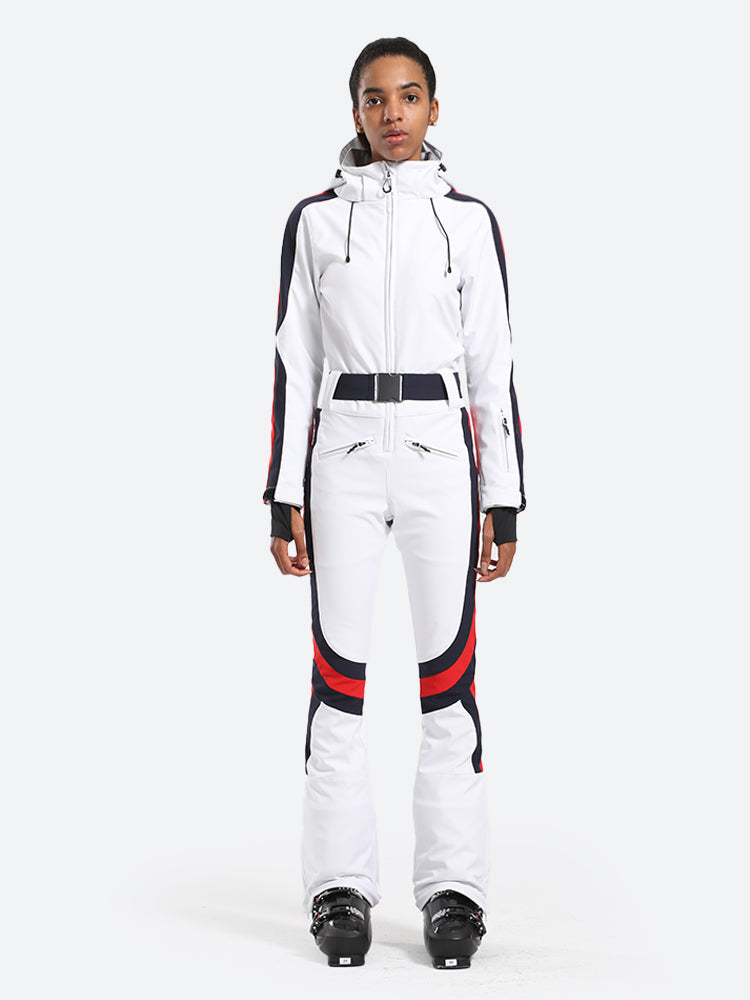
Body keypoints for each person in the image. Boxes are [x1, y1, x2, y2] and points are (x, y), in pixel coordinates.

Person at [264, 36, 525, 969]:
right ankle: (338, 889)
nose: (393, 114)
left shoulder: (467, 221)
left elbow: (492, 363)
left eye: (410, 97)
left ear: (434, 109)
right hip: (339, 458)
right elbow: (295, 361)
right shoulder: (315, 222)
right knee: (337, 683)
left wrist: (504, 498)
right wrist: (281, 493)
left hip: (438, 461)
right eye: (375, 99)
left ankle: (455, 891)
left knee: (447, 681)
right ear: (356, 113)